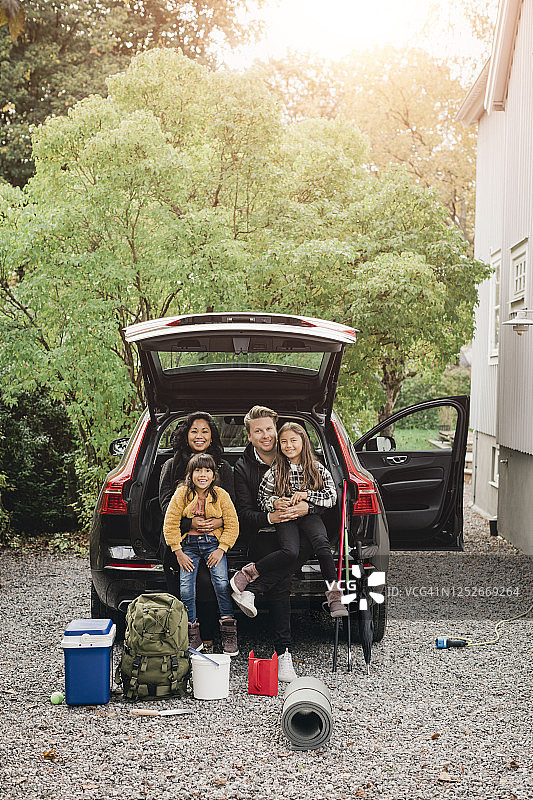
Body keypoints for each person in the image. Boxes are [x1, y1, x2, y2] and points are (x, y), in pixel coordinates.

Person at [231, 421, 348, 620]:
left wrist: (307, 496)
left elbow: (332, 496)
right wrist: (276, 503)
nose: (289, 445)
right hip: (286, 518)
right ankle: (249, 572)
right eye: (284, 441)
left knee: (322, 547)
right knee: (290, 551)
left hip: (309, 514)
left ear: (304, 442)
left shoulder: (316, 467)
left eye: (294, 440)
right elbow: (262, 499)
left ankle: (334, 597)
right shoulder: (276, 470)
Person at [232, 406, 313, 683]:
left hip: (300, 530)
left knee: (300, 548)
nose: (266, 435)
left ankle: (251, 586)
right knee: (283, 579)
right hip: (264, 533)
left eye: (269, 429)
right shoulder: (242, 467)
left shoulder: (295, 452)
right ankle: (284, 652)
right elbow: (243, 513)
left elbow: (324, 495)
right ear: (250, 436)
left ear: (276, 429)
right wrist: (271, 515)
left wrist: (306, 508)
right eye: (258, 431)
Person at [159, 412, 235, 651]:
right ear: (185, 435)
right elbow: (165, 509)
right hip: (183, 539)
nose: (199, 435)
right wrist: (190, 525)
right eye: (194, 431)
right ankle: (191, 633)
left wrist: (216, 524)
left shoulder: (223, 467)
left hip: (214, 539)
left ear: (212, 436)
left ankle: (215, 634)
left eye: (205, 431)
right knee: (188, 583)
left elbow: (233, 511)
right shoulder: (172, 466)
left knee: (217, 580)